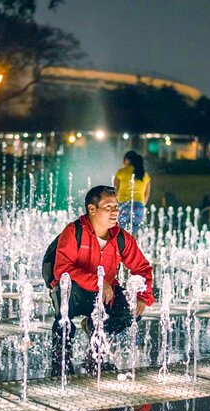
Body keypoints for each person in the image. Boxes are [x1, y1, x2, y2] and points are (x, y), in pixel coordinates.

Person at [50, 185, 154, 376]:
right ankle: (60, 355)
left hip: (103, 296)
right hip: (75, 292)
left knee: (131, 311)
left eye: (116, 206)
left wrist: (142, 295)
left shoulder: (121, 238)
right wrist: (98, 282)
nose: (115, 211)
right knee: (63, 312)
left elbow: (143, 268)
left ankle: (95, 333)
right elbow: (61, 270)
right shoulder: (74, 232)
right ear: (92, 209)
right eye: (108, 206)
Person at [114, 151, 151, 234]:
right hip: (139, 205)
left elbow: (115, 190)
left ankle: (122, 247)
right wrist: (141, 205)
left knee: (121, 232)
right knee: (134, 233)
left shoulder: (121, 172)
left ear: (127, 160)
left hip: (124, 204)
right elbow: (147, 194)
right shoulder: (144, 174)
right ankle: (132, 247)